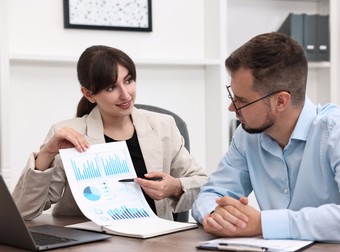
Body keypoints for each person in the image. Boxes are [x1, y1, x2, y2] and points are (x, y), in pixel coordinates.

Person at [192, 32, 340, 243]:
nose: (232, 108)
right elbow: (212, 193)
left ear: (280, 101)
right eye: (232, 95)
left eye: (241, 100)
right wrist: (216, 216)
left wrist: (262, 224)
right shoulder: (247, 136)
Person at [13, 45, 208, 221]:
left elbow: (203, 184)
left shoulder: (163, 126)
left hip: (155, 240)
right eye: (111, 87)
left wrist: (175, 187)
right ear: (89, 94)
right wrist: (46, 154)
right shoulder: (68, 133)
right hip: (91, 245)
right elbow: (25, 211)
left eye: (128, 81)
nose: (126, 94)